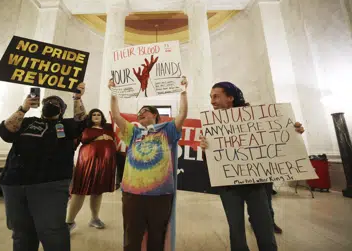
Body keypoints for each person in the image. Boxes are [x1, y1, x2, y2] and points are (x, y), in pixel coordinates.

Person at [200, 81, 305, 251]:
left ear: (230, 98)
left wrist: (294, 132)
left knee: (264, 226)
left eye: (216, 96)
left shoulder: (256, 118)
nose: (212, 101)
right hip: (228, 187)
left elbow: (277, 139)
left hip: (255, 185)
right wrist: (205, 149)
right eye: (210, 97)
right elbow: (210, 163)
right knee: (236, 229)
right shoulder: (211, 125)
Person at [0, 83, 86, 251]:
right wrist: (23, 108)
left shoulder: (64, 127)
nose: (51, 105)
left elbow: (81, 123)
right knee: (21, 232)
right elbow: (6, 133)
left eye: (56, 104)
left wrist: (77, 97)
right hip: (15, 183)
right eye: (48, 102)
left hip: (49, 184)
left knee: (52, 231)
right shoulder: (27, 122)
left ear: (62, 110)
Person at [110, 77, 188, 251]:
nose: (141, 113)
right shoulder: (133, 132)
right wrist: (114, 93)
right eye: (139, 112)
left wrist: (183, 92)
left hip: (160, 195)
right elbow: (116, 115)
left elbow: (182, 114)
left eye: (145, 110)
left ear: (155, 115)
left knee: (156, 238)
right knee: (131, 238)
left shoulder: (167, 130)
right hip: (132, 194)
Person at [66, 109, 117, 230]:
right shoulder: (84, 128)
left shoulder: (109, 128)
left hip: (105, 165)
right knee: (79, 192)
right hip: (87, 164)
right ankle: (69, 222)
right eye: (93, 114)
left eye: (99, 114)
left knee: (98, 191)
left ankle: (95, 218)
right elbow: (71, 145)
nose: (96, 116)